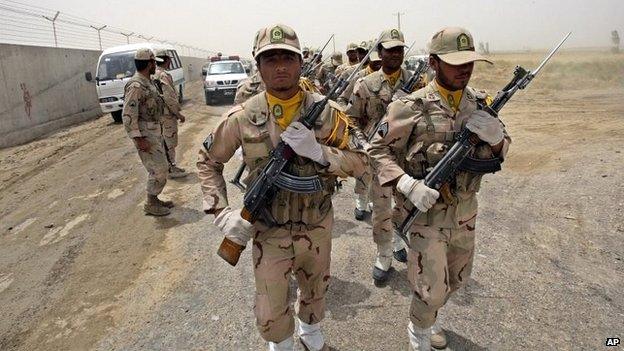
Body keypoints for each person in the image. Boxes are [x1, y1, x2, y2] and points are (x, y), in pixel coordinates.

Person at [197, 24, 368, 351]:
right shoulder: (244, 116)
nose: (280, 66)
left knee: (316, 291)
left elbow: (361, 161)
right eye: (270, 58)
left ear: (300, 63)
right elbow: (207, 160)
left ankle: (310, 329)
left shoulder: (327, 113)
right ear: (257, 65)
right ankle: (282, 342)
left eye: (287, 58)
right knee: (271, 312)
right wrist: (221, 211)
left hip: (317, 225)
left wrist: (320, 152)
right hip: (269, 229)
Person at [368, 27, 511, 350]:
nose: (465, 69)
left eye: (470, 62)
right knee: (430, 287)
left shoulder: (481, 104)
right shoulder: (410, 107)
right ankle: (418, 336)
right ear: (433, 62)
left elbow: (504, 149)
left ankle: (430, 318)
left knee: (456, 279)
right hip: (424, 215)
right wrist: (406, 182)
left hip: (464, 213)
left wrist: (497, 137)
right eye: (455, 62)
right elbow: (376, 150)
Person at [346, 28, 413, 285]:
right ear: (380, 53)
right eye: (390, 49)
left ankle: (398, 237)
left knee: (407, 207)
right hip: (378, 159)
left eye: (399, 49)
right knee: (382, 209)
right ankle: (384, 253)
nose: (395, 54)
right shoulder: (366, 84)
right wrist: (363, 145)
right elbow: (351, 119)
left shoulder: (418, 82)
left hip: (409, 159)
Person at [122, 48, 172, 216]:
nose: (155, 65)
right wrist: (138, 139)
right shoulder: (136, 85)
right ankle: (151, 203)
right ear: (149, 63)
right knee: (159, 169)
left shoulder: (147, 81)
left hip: (154, 131)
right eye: (153, 62)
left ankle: (155, 199)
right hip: (145, 134)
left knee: (160, 167)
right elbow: (128, 114)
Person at [154, 49, 188, 178]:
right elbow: (169, 98)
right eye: (169, 60)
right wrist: (178, 114)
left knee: (162, 142)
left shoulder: (152, 75)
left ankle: (168, 167)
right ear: (166, 60)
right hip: (166, 115)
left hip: (157, 115)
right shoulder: (163, 75)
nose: (170, 63)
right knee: (169, 141)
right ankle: (170, 169)